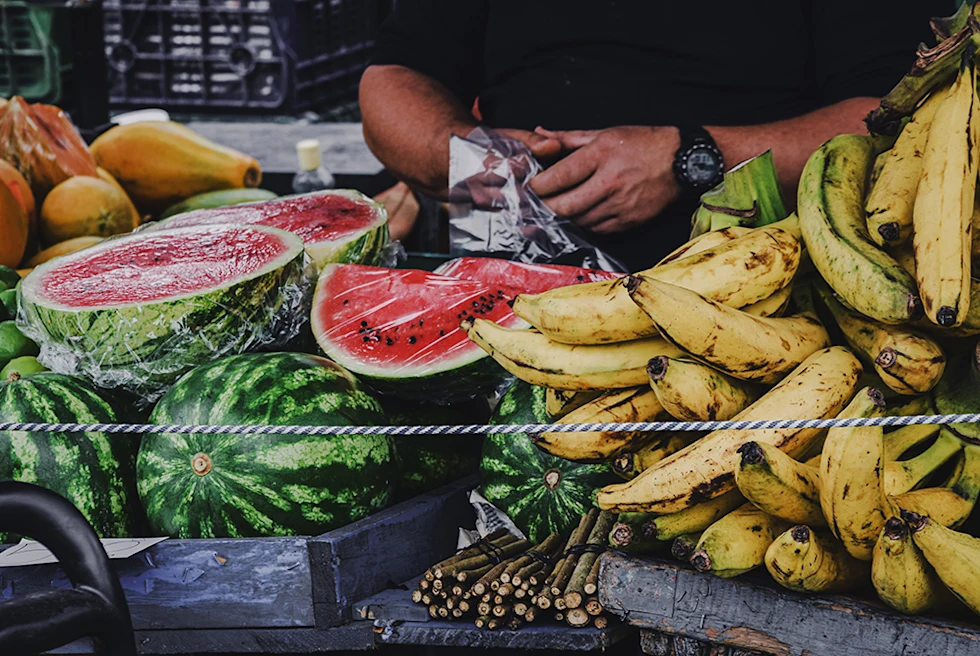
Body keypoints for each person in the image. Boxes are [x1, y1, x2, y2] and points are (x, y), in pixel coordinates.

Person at [360, 1, 949, 269]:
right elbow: (393, 80)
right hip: (513, 292)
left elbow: (896, 114)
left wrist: (692, 158)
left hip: (763, 288)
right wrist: (471, 159)